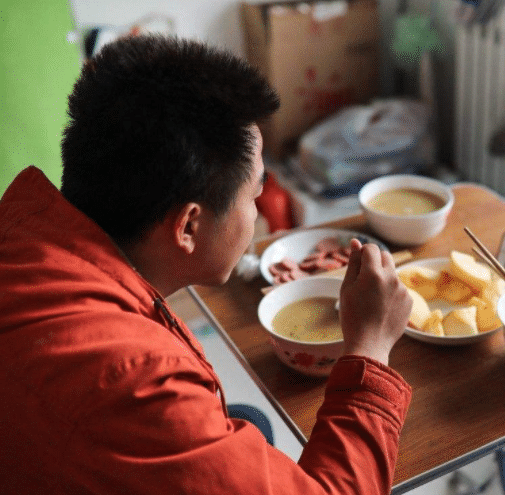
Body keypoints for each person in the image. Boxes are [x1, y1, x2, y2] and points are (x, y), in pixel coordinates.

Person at [0, 35, 412, 494]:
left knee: (250, 420)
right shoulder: (137, 383)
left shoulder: (22, 232)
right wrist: (371, 349)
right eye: (254, 194)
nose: (257, 214)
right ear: (188, 227)